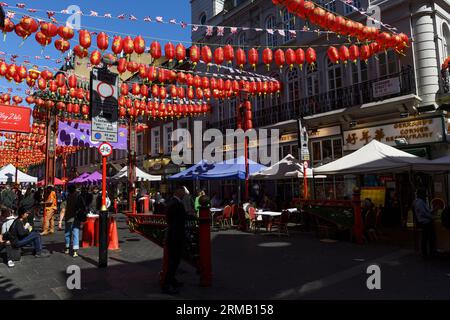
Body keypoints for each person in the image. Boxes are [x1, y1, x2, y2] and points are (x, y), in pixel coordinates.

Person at [162, 187, 187, 294]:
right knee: (173, 261)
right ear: (178, 192)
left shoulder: (172, 202)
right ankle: (167, 283)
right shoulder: (176, 204)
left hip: (173, 234)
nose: (184, 194)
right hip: (175, 235)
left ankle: (172, 280)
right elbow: (179, 219)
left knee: (175, 260)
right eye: (183, 192)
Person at [413, 189, 436, 259]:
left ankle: (426, 253)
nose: (425, 195)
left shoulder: (419, 202)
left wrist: (433, 210)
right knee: (428, 238)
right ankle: (427, 254)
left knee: (426, 238)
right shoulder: (420, 202)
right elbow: (424, 213)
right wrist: (432, 217)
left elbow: (426, 211)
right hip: (426, 222)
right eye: (424, 194)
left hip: (424, 222)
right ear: (421, 194)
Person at [60, 185, 82, 257]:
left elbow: (63, 211)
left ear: (68, 190)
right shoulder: (78, 198)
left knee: (67, 233)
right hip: (76, 218)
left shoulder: (66, 199)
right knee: (76, 234)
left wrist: (60, 221)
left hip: (68, 219)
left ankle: (67, 248)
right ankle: (75, 251)